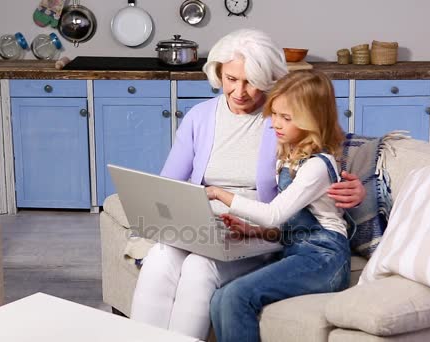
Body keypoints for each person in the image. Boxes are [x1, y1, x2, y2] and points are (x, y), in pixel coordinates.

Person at [130, 29, 364, 341]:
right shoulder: (199, 117)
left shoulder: (285, 116)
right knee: (160, 257)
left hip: (259, 231)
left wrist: (358, 189)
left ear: (270, 79)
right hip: (205, 223)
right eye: (231, 79)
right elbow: (168, 183)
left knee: (199, 268)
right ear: (217, 73)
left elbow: (326, 146)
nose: (239, 91)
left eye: (251, 81)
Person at [206, 70, 352, 342]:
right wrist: (254, 231)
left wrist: (220, 194)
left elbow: (274, 214)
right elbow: (289, 226)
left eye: (287, 118)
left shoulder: (318, 166)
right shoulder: (288, 157)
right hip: (296, 251)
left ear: (313, 120)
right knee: (220, 298)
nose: (276, 124)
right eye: (274, 114)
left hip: (325, 259)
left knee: (237, 297)